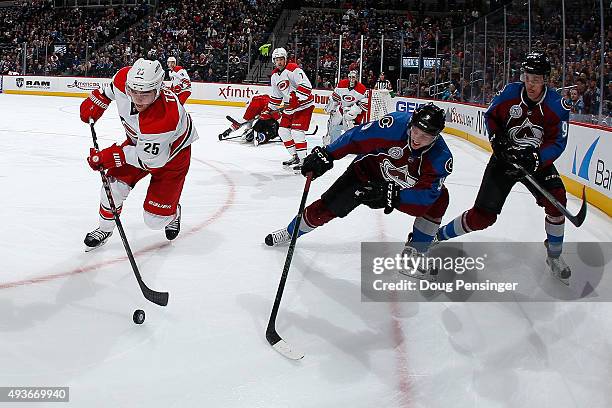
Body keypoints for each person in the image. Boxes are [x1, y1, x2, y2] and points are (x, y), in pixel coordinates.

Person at [265, 103, 452, 277]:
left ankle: (416, 251)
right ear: (411, 124)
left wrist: (394, 197)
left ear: (436, 137)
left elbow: (423, 200)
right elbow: (356, 138)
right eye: (416, 131)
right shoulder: (394, 125)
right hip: (365, 174)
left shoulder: (440, 159)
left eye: (426, 136)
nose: (417, 139)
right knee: (327, 208)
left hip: (400, 187)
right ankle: (291, 232)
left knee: (440, 198)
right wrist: (328, 153)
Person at [436, 52, 573, 285]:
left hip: (536, 162)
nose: (531, 84)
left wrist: (538, 159)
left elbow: (558, 142)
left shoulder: (557, 106)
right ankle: (435, 236)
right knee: (482, 218)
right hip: (504, 160)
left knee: (557, 201)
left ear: (546, 80)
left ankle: (554, 255)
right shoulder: (510, 93)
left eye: (536, 79)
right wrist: (497, 139)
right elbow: (490, 117)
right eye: (528, 77)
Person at [79, 58, 199, 251]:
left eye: (145, 94)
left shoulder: (165, 117)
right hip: (139, 145)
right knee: (112, 188)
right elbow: (110, 90)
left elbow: (150, 161)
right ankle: (105, 229)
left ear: (159, 88)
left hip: (173, 158)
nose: (137, 99)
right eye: (133, 91)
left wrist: (111, 156)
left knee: (154, 221)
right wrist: (98, 100)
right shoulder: (123, 79)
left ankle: (173, 211)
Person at [261, 47, 314, 172]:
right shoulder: (274, 76)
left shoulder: (293, 69)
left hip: (303, 106)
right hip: (290, 108)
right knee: (283, 131)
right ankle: (295, 156)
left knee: (297, 132)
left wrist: (297, 97)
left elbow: (306, 86)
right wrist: (269, 109)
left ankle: (303, 160)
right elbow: (276, 96)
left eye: (281, 59)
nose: (279, 62)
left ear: (285, 59)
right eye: (277, 60)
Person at [323, 70, 368, 145]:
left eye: (353, 77)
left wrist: (353, 111)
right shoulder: (341, 84)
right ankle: (333, 143)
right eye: (350, 77)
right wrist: (330, 108)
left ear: (357, 78)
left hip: (353, 112)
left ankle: (353, 144)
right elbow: (335, 98)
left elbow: (364, 106)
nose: (351, 79)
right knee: (333, 124)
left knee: (350, 124)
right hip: (342, 109)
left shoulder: (362, 89)